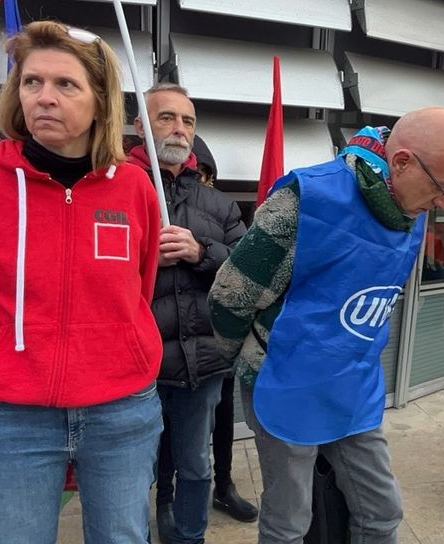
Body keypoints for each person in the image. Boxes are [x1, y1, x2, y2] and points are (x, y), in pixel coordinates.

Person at [209, 107, 444, 544]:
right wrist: (250, 359)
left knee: (382, 512)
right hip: (286, 382)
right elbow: (231, 296)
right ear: (401, 162)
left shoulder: (412, 208)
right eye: (443, 188)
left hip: (354, 385)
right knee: (289, 522)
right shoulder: (308, 199)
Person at [0, 21, 164, 542]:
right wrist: (8, 360)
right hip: (10, 417)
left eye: (66, 84)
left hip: (121, 410)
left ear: (100, 101)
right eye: (31, 81)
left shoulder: (135, 186)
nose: (44, 97)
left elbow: (140, 287)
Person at [127, 83, 253, 544]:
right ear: (140, 125)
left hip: (202, 361)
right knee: (132, 470)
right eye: (166, 117)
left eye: (188, 121)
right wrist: (144, 259)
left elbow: (248, 269)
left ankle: (190, 536)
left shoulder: (218, 203)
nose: (179, 128)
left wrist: (202, 252)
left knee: (197, 464)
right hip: (136, 363)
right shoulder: (114, 187)